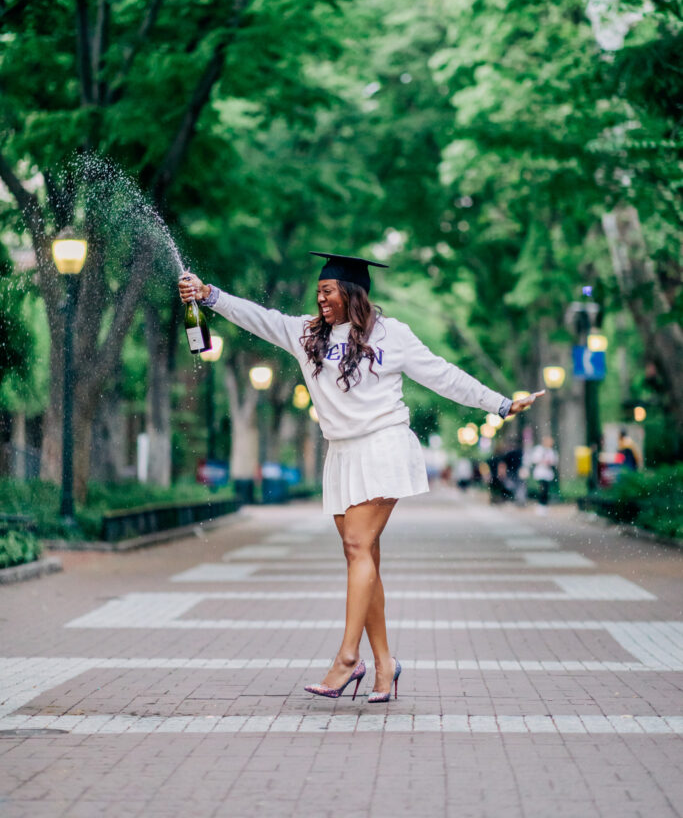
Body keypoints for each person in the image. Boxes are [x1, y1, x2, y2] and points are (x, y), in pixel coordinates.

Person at [178, 252, 543, 702]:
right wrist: (210, 295)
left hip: (384, 445)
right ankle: (386, 666)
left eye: (328, 292)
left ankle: (348, 657)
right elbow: (260, 318)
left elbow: (443, 376)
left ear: (351, 293)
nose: (321, 299)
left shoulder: (393, 335)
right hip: (342, 454)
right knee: (362, 557)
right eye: (318, 292)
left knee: (356, 548)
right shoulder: (307, 333)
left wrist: (501, 404)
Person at [530, 435, 558, 511]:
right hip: (540, 472)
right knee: (542, 488)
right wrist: (542, 461)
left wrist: (550, 462)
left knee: (546, 489)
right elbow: (535, 459)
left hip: (547, 473)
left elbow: (554, 461)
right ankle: (541, 505)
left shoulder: (551, 451)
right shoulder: (539, 449)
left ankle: (544, 505)